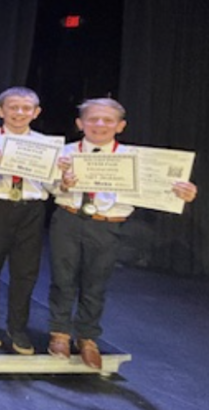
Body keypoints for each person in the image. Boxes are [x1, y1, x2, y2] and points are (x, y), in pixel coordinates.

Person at [49, 98, 197, 369]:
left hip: (108, 224)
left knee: (96, 282)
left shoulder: (138, 159)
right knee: (63, 278)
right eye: (92, 119)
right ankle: (59, 332)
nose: (100, 125)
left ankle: (87, 336)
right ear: (80, 124)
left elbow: (160, 188)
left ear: (120, 126)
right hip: (68, 220)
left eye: (107, 120)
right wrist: (63, 183)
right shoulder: (64, 152)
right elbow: (48, 187)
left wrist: (181, 192)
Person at [0, 87, 49, 355]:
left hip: (32, 208)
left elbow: (52, 185)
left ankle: (17, 327)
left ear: (36, 112)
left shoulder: (48, 145)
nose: (19, 113)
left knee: (25, 272)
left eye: (26, 108)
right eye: (13, 107)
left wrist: (65, 175)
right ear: (0, 111)